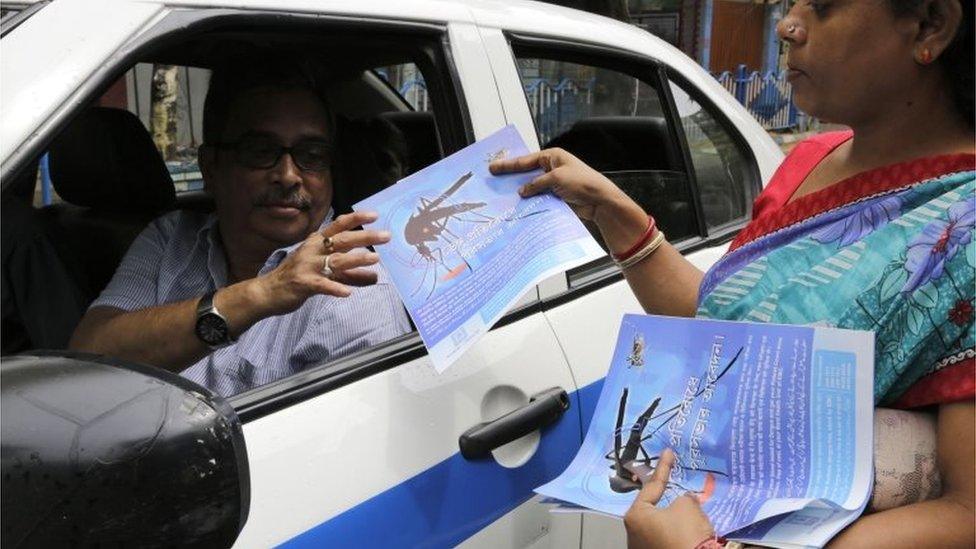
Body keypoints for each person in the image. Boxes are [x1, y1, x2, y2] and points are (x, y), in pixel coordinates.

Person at [490, 0, 974, 545]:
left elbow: (966, 511)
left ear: (931, 24)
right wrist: (615, 214)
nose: (788, 26)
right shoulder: (810, 161)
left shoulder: (964, 219)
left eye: (822, 5)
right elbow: (732, 337)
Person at [69, 58, 411, 396]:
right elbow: (87, 359)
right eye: (261, 151)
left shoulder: (354, 286)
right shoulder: (171, 237)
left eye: (312, 154)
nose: (289, 175)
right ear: (210, 167)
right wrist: (259, 295)